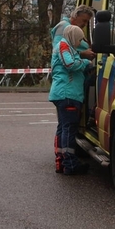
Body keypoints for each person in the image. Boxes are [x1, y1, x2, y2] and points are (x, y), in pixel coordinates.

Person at [50, 24, 92, 176]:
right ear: (73, 37)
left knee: (63, 128)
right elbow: (70, 64)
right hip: (68, 94)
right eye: (79, 39)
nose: (80, 43)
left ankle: (61, 162)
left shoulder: (67, 47)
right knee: (68, 130)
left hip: (64, 94)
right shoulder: (64, 45)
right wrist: (86, 63)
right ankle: (70, 164)